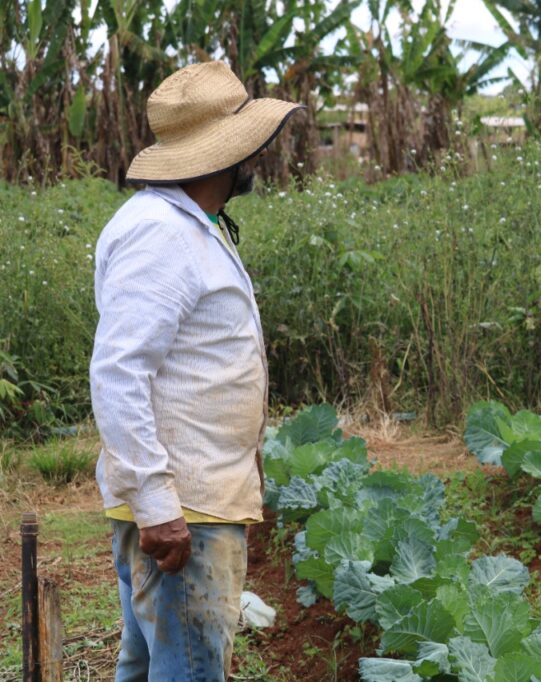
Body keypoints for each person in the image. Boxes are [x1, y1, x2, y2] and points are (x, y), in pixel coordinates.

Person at [89, 61, 303, 681]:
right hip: (184, 511)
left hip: (193, 497)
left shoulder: (188, 225)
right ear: (225, 156)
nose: (253, 159)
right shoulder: (161, 236)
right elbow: (119, 372)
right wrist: (158, 505)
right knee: (187, 668)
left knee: (148, 660)